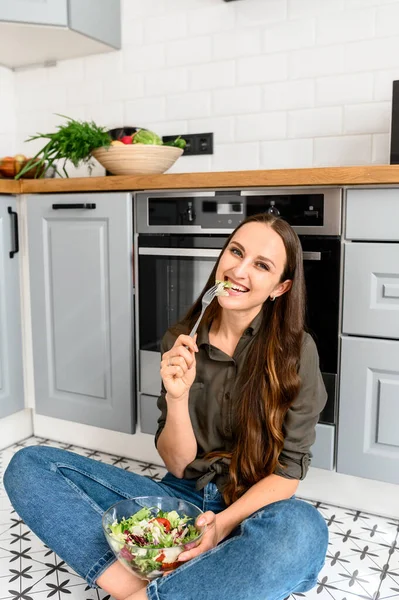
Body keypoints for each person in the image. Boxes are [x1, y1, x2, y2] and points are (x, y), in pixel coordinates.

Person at [4, 213, 329, 600]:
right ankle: (154, 589)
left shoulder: (296, 353)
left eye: (261, 265)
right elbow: (177, 465)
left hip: (247, 511)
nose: (239, 269)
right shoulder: (181, 339)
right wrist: (177, 398)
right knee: (29, 466)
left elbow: (288, 474)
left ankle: (178, 578)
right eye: (236, 252)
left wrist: (221, 526)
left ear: (280, 287)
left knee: (301, 529)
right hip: (181, 503)